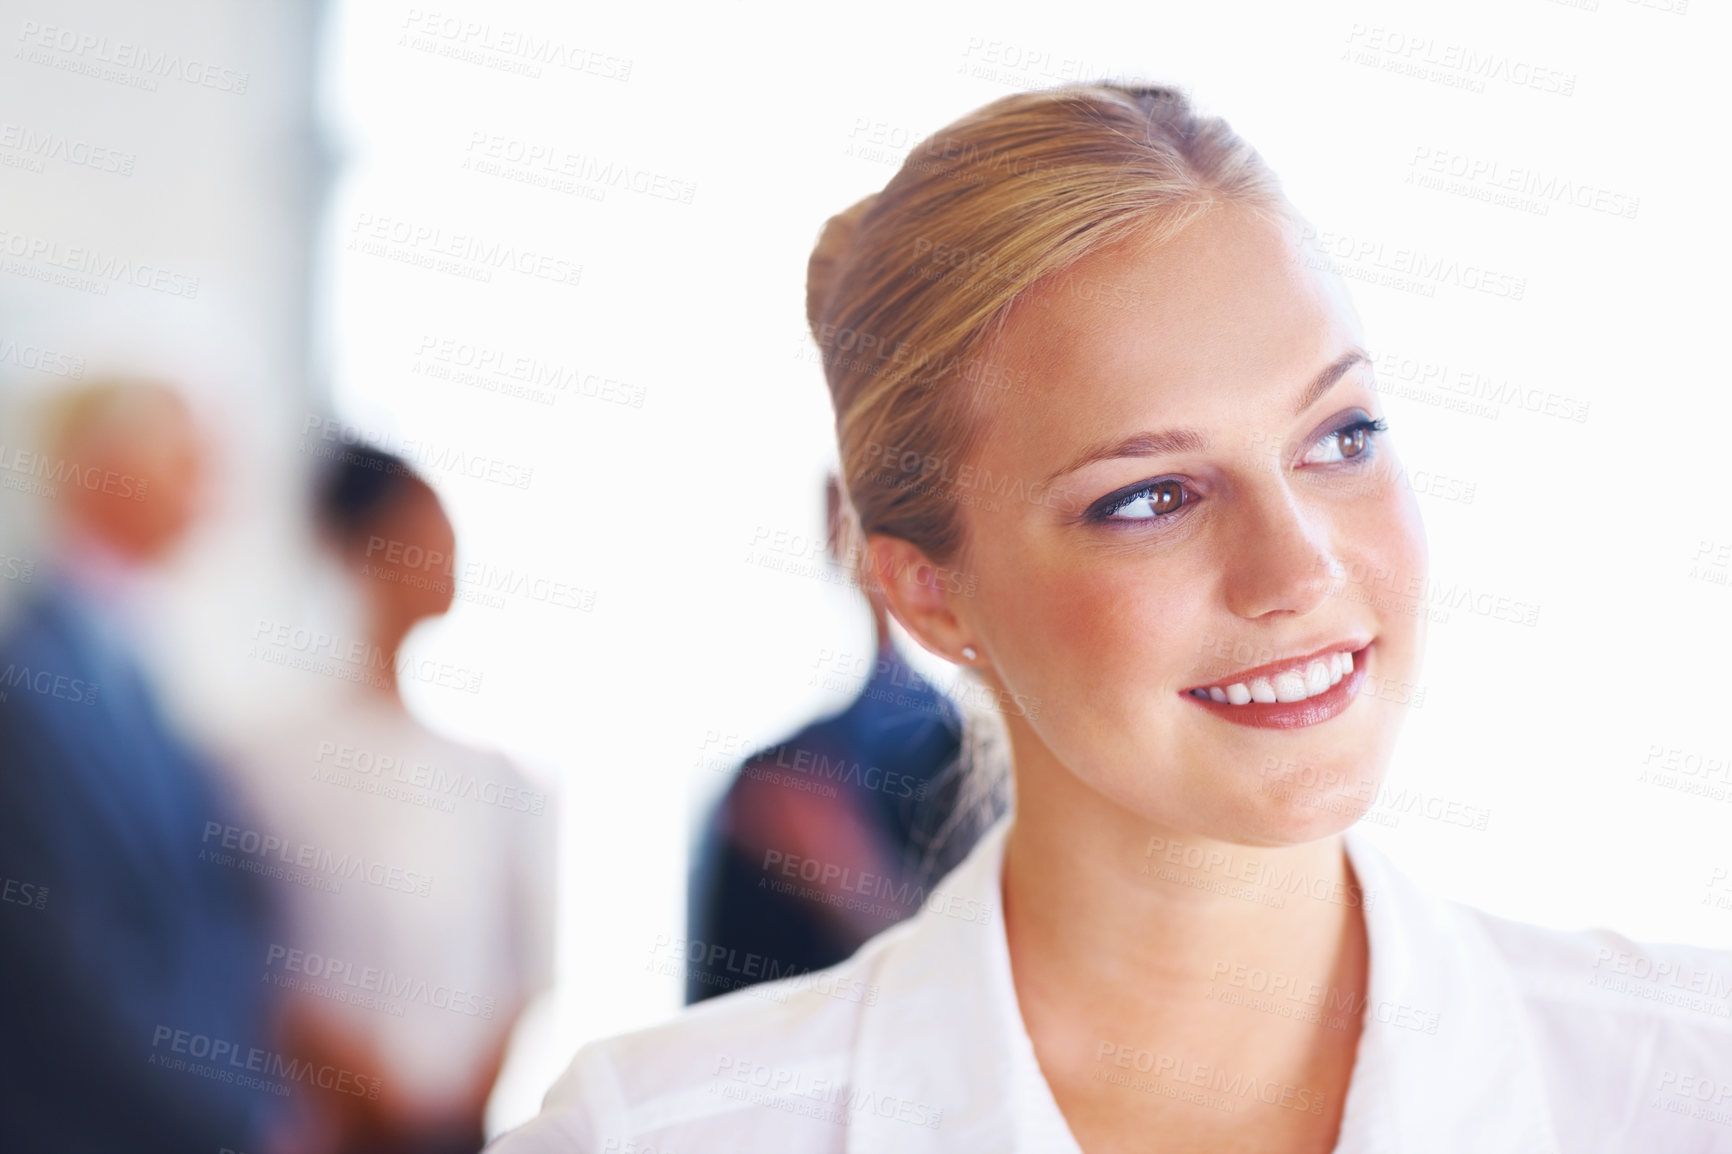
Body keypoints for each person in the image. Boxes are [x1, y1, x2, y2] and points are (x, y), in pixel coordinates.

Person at [490, 84, 1732, 1152]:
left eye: (1338, 435)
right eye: (1149, 496)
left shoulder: (1686, 1083)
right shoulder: (659, 1133)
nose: (1297, 568)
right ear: (927, 588)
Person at [226, 445, 554, 1154]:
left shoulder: (495, 777)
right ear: (354, 551)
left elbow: (526, 963)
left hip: (458, 1126)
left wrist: (466, 1091)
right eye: (416, 534)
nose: (444, 554)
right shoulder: (264, 761)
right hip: (321, 1126)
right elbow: (248, 953)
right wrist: (354, 1082)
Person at [0, 381, 279, 1153]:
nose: (210, 491)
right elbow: (59, 961)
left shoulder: (139, 661)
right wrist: (240, 1115)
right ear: (102, 468)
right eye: (185, 460)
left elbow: (204, 914)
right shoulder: (26, 679)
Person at [684, 476, 1005, 1003]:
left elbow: (983, 984)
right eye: (850, 522)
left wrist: (847, 878)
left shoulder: (993, 765)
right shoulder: (778, 774)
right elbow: (710, 1015)